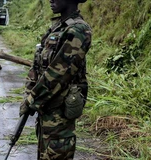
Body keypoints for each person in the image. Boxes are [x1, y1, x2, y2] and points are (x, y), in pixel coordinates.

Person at [20, 0, 92, 159]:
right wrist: (28, 92)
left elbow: (58, 74)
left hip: (59, 115)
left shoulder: (79, 30)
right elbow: (37, 66)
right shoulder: (57, 27)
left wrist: (32, 99)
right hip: (45, 111)